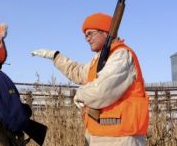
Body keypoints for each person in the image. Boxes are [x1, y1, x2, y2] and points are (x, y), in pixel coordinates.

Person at [31, 12, 149, 146]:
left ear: (105, 32)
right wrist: (56, 56)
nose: (87, 39)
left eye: (90, 33)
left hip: (120, 137)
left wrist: (80, 94)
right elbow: (78, 72)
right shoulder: (101, 59)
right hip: (101, 133)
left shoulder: (121, 55)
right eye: (85, 35)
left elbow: (103, 91)